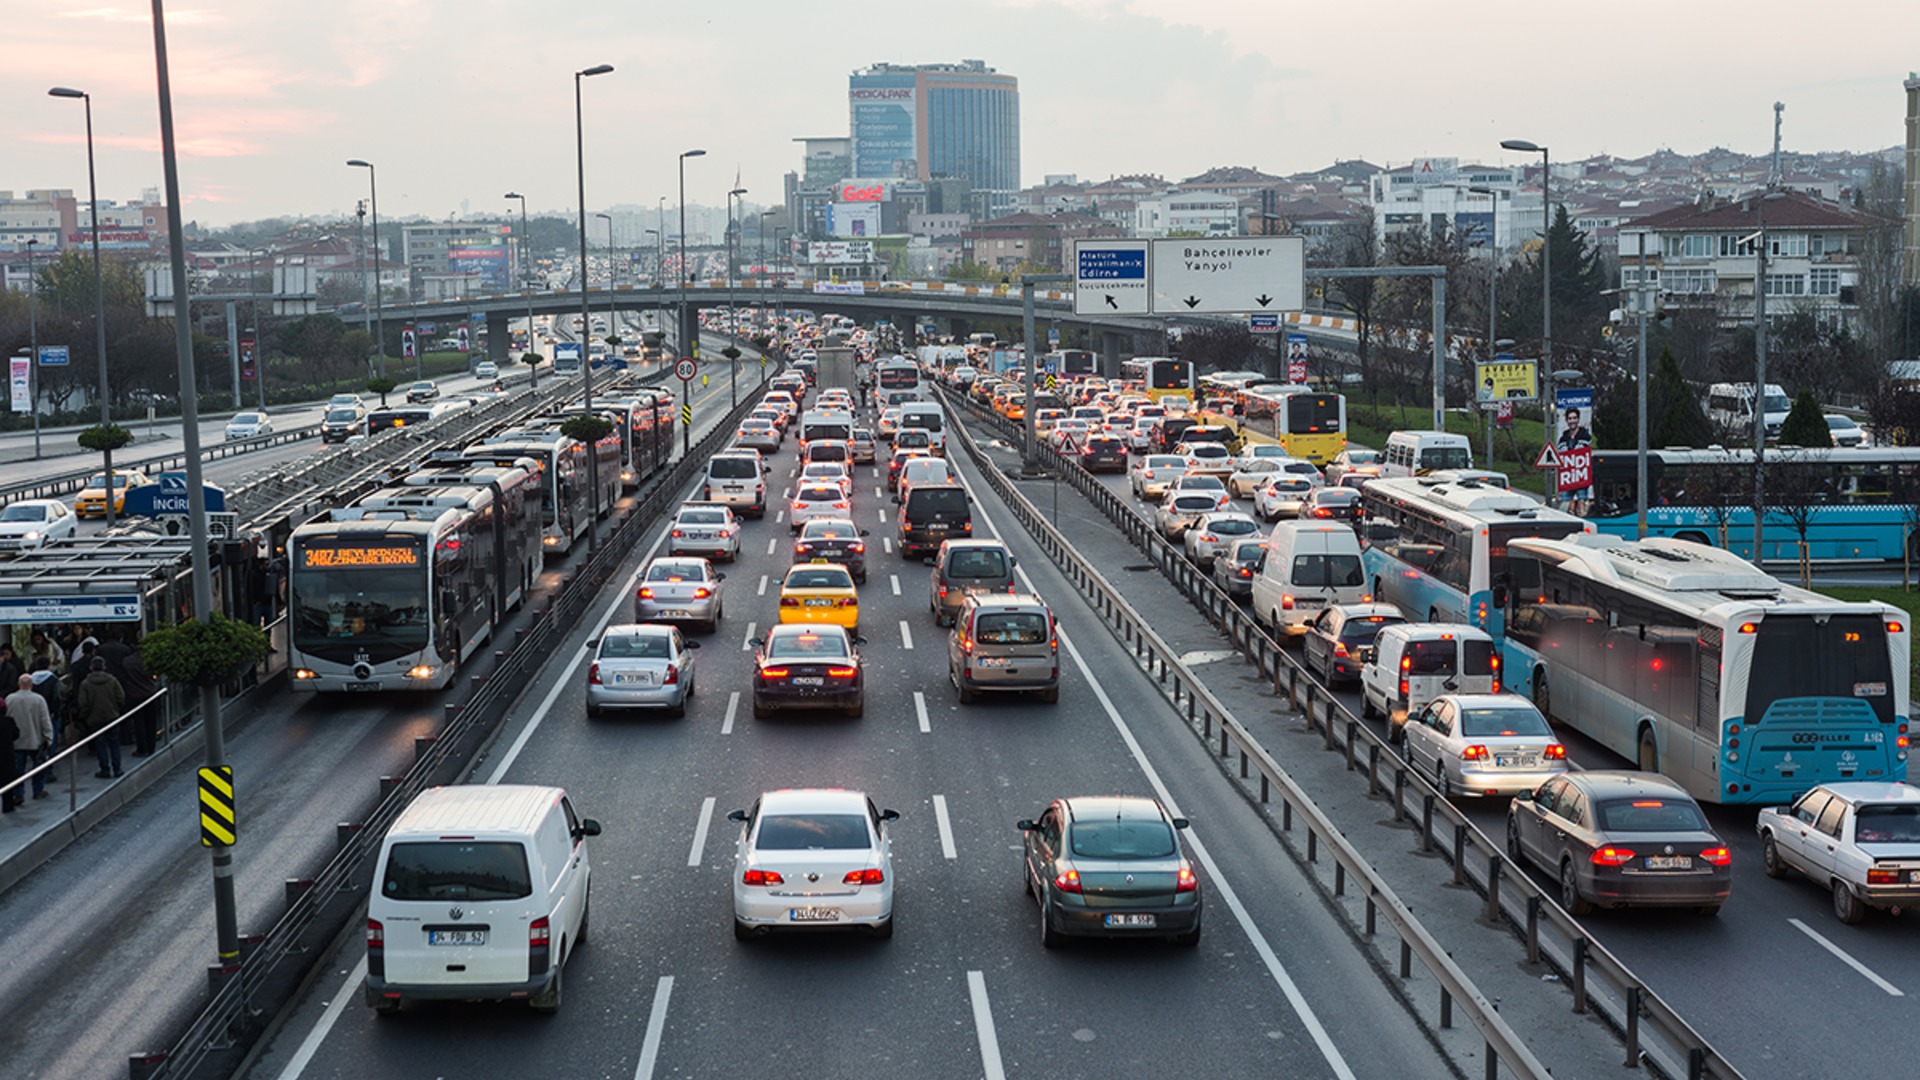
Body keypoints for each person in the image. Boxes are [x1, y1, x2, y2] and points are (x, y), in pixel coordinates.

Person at [73, 657, 125, 779]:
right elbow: (121, 697)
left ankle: (104, 768)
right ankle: (117, 768)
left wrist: (86, 715)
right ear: (104, 667)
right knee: (114, 743)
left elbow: (83, 703)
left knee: (100, 744)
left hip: (94, 718)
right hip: (111, 715)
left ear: (91, 668)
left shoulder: (85, 684)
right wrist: (116, 709)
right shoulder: (112, 680)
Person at [8, 673, 54, 800]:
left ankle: (19, 793)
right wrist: (48, 737)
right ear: (31, 685)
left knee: (18, 769)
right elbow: (45, 720)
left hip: (17, 741)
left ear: (19, 684)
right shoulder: (38, 699)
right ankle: (38, 790)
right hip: (35, 739)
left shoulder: (10, 699)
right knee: (38, 766)